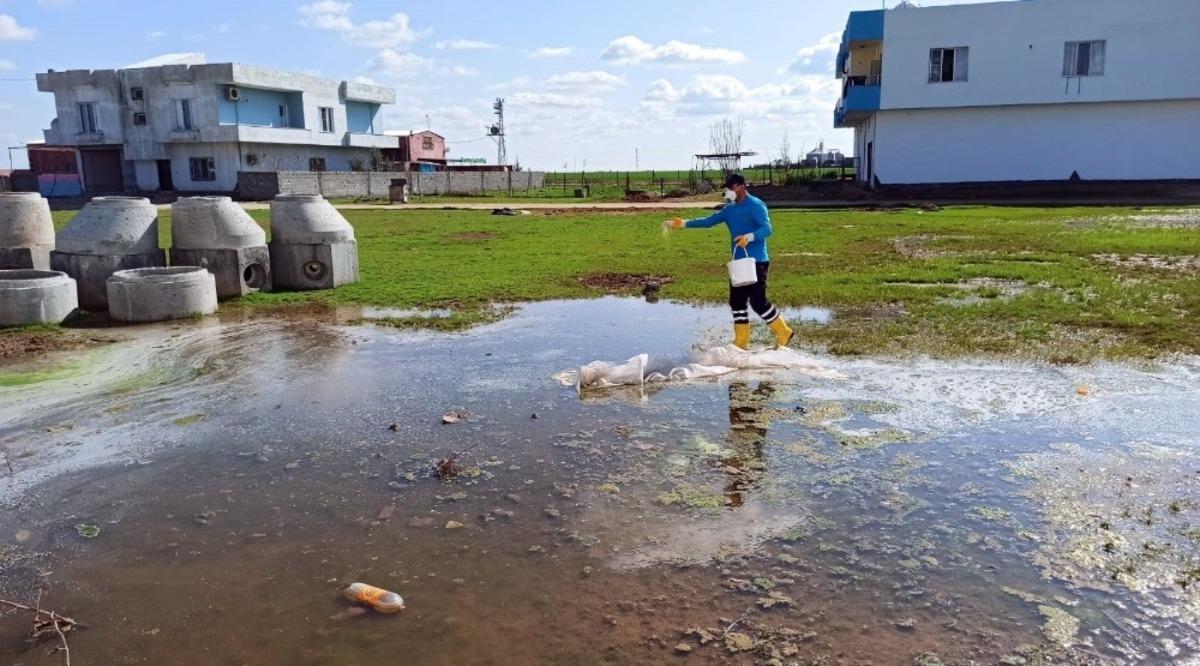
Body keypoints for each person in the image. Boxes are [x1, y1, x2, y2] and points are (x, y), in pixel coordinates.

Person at [666, 173, 794, 350]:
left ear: (741, 186)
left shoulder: (756, 205)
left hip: (757, 261)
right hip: (738, 263)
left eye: (731, 188)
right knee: (737, 301)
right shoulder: (729, 209)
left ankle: (784, 332)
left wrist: (749, 237)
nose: (728, 192)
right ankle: (741, 341)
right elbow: (708, 221)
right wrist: (684, 223)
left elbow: (767, 229)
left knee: (758, 302)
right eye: (727, 189)